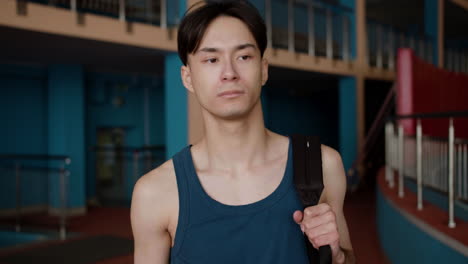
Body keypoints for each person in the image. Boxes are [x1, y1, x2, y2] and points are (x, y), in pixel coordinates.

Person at [131, 1, 354, 263]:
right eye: (212, 59)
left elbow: (347, 260)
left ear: (263, 69)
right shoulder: (155, 192)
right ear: (187, 77)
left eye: (244, 57)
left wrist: (338, 255)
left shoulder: (321, 163)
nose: (229, 73)